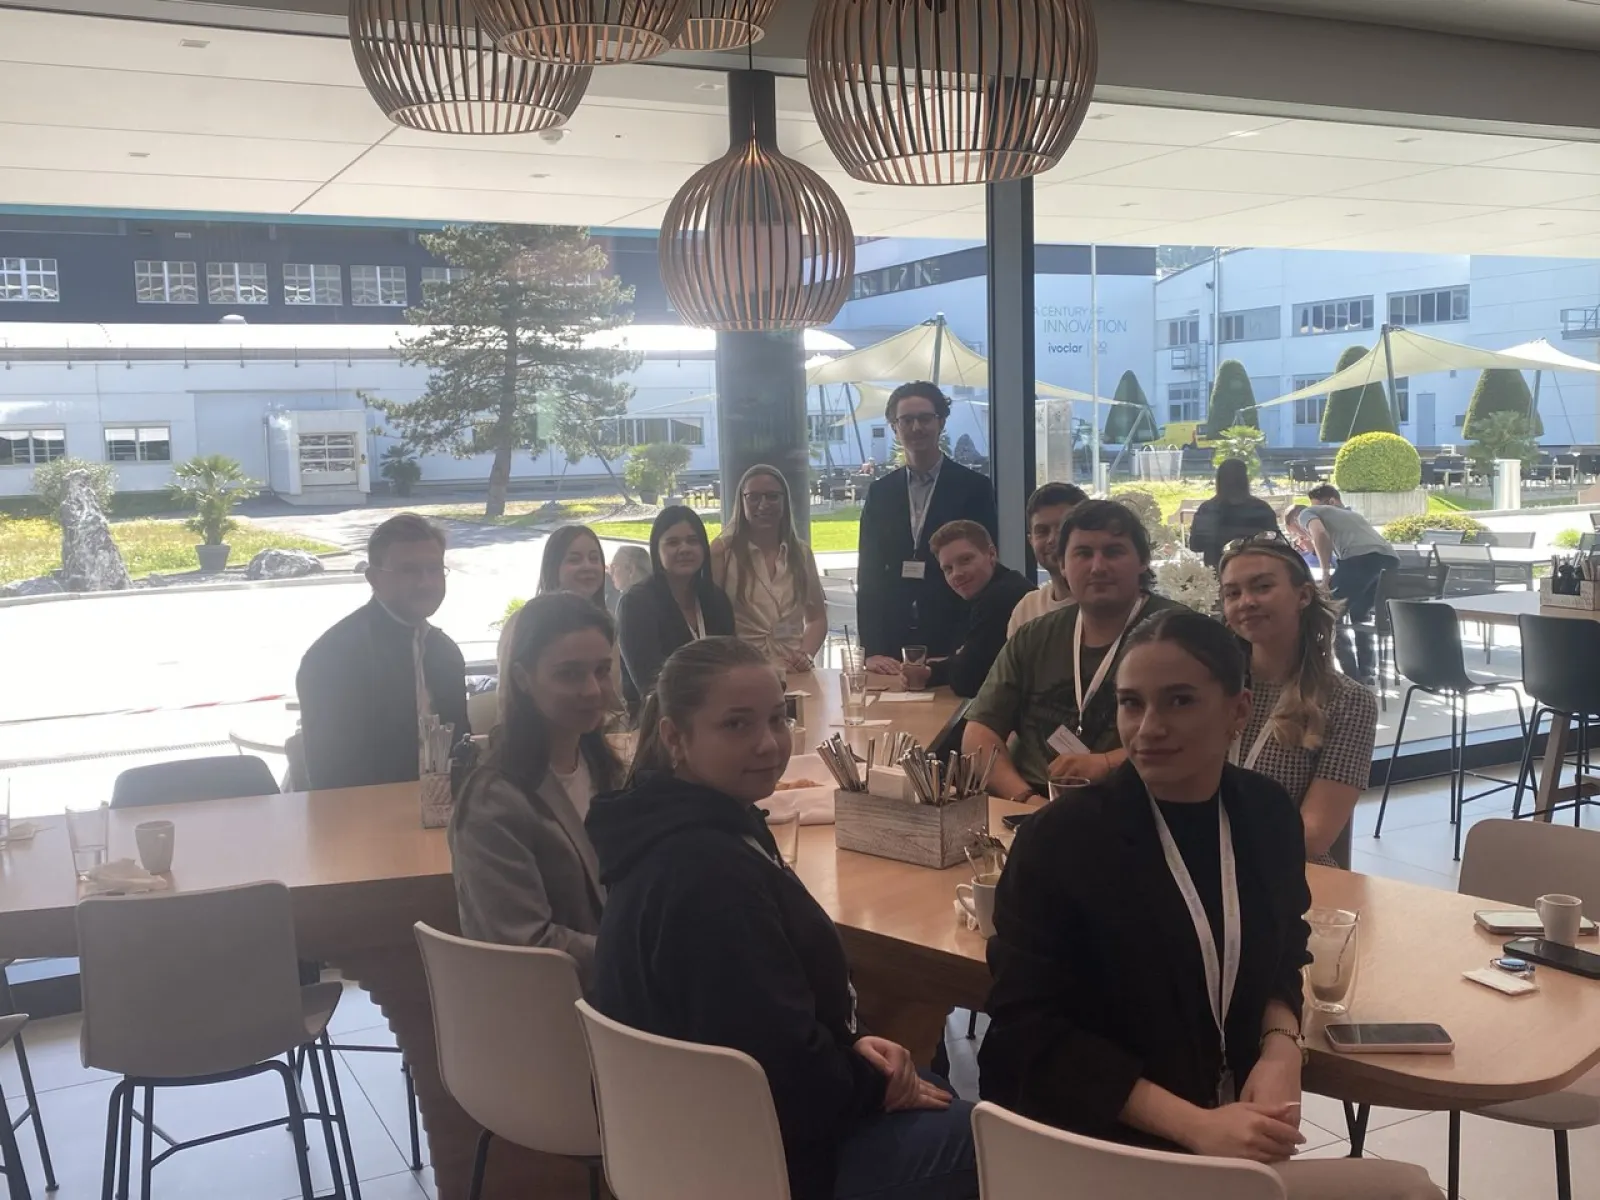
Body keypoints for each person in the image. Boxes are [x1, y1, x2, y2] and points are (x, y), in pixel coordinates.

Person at [979, 610, 1440, 1200]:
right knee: (1409, 1192)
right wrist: (1195, 1127)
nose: (1148, 728)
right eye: (1130, 703)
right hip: (1092, 1151)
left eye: (1179, 702)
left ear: (1238, 712)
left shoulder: (1267, 815)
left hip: (1222, 1141)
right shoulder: (1062, 840)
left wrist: (1281, 1049)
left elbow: (1283, 948)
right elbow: (1028, 1030)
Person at [586, 637, 978, 1200]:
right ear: (675, 737)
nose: (768, 744)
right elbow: (783, 1073)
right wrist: (862, 1077)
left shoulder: (676, 824)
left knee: (931, 1085)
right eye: (736, 726)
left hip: (680, 1134)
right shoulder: (707, 876)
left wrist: (853, 1045)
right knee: (995, 1138)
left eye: (777, 718)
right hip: (757, 1157)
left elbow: (764, 1025)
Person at [450, 593, 621, 986]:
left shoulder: (603, 767)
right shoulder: (494, 802)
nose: (594, 690)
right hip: (561, 1012)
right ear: (523, 678)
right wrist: (645, 953)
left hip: (620, 993)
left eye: (601, 670)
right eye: (570, 674)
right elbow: (525, 944)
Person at [963, 500, 1181, 804]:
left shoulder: (1181, 635)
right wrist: (1025, 800)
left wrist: (1107, 763)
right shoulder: (1035, 636)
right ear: (1062, 564)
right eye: (1083, 553)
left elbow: (1198, 735)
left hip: (1135, 809)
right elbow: (978, 734)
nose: (1098, 566)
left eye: (1113, 551)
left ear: (1143, 560)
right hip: (1032, 806)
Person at [1219, 534, 1378, 868]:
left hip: (1287, 881)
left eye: (1262, 587)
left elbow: (1313, 835)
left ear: (1303, 595)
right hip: (1196, 874)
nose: (1246, 602)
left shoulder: (1347, 701)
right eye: (1232, 593)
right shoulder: (1211, 689)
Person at [297, 513, 468, 791]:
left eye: (434, 568)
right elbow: (332, 777)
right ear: (374, 578)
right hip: (364, 819)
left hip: (445, 816)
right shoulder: (333, 657)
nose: (426, 583)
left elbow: (460, 750)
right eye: (409, 570)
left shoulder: (444, 652)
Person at [857, 381, 998, 673]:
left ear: (941, 422)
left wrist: (970, 644)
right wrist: (870, 650)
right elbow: (869, 573)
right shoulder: (880, 492)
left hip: (953, 639)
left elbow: (985, 571)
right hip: (891, 646)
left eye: (925, 418)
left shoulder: (974, 488)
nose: (916, 427)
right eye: (906, 420)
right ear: (894, 428)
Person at [615, 505, 734, 713]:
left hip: (720, 713)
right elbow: (649, 684)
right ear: (657, 550)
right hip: (660, 721)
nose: (684, 549)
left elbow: (732, 665)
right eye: (672, 542)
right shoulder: (636, 604)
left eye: (693, 540)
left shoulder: (716, 599)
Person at [711, 464, 827, 673]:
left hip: (795, 674)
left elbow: (817, 618)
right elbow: (711, 624)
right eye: (753, 497)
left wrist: (805, 655)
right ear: (742, 501)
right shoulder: (722, 552)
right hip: (743, 673)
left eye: (772, 496)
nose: (763, 505)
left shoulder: (801, 554)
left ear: (784, 501)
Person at [902, 521, 1032, 699]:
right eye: (948, 569)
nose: (956, 574)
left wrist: (956, 660)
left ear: (991, 554)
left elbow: (969, 681)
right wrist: (932, 672)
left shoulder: (1000, 597)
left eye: (965, 560)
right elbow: (971, 662)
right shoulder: (989, 589)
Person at [1285, 485, 1398, 683]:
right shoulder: (1345, 515)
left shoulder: (1306, 513)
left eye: (1295, 532)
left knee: (1327, 613)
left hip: (1359, 558)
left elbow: (1320, 534)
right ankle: (1367, 672)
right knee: (1360, 613)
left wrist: (1326, 573)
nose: (1300, 536)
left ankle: (1350, 678)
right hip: (1389, 560)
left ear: (1296, 521)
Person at [1007, 482, 1086, 637]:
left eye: (1063, 529)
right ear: (1031, 541)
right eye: (1042, 531)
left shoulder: (1106, 603)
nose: (1052, 539)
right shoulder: (1027, 608)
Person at [1188, 459, 1280, 569]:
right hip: (1256, 571)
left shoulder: (1208, 509)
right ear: (1245, 480)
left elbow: (1195, 545)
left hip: (1219, 573)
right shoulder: (1260, 508)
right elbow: (1277, 543)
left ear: (1219, 480)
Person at [538, 524, 611, 610]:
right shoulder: (532, 620)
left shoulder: (607, 621)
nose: (587, 566)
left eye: (594, 558)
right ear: (553, 567)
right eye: (575, 559)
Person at [608, 544, 651, 609]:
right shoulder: (654, 595)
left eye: (614, 566)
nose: (611, 572)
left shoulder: (628, 602)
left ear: (631, 570)